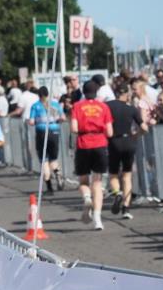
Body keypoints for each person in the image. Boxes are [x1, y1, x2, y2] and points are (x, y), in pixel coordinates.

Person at [70, 80, 114, 231]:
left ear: (83, 91)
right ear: (96, 92)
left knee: (83, 180)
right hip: (100, 144)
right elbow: (110, 132)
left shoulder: (77, 106)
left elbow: (74, 128)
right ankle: (97, 219)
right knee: (97, 182)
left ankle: (87, 198)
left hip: (83, 144)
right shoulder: (103, 107)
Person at [105, 83, 147, 220]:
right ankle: (126, 208)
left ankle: (117, 193)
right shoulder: (132, 109)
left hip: (114, 141)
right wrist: (137, 135)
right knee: (127, 176)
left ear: (115, 93)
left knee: (113, 174)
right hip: (129, 141)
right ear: (126, 94)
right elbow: (145, 127)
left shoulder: (108, 106)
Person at [28, 86, 64, 194]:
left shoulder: (35, 106)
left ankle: (49, 187)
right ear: (48, 94)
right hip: (54, 132)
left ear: (38, 95)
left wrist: (35, 122)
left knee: (44, 160)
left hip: (42, 133)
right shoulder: (55, 104)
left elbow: (31, 121)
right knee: (53, 158)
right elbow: (63, 117)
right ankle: (57, 172)